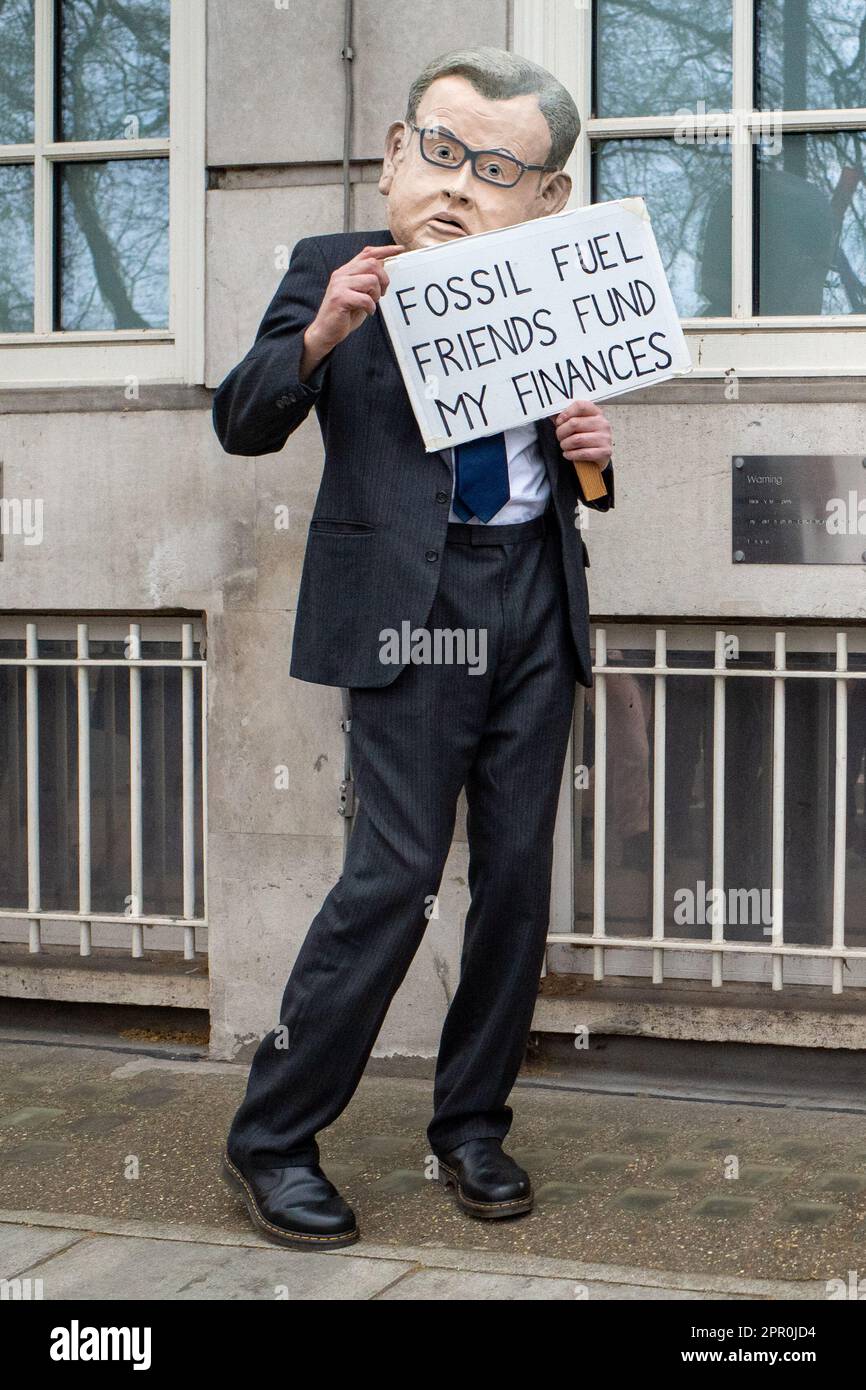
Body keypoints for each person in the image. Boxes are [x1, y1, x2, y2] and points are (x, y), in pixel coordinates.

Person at [212, 46, 615, 1251]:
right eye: (438, 152)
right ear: (395, 154)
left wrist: (591, 448)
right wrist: (325, 333)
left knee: (516, 878)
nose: (455, 185)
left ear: (545, 198)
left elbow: (571, 474)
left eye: (494, 168)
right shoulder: (335, 270)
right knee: (390, 877)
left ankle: (470, 1126)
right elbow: (242, 418)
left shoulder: (550, 279)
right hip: (410, 605)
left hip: (534, 591)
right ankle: (272, 1139)